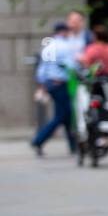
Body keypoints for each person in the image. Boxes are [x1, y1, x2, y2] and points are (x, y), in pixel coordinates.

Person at [31, 22, 81, 156]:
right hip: (61, 84)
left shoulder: (48, 46)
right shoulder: (65, 46)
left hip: (50, 84)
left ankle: (73, 145)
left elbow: (42, 70)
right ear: (63, 32)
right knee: (61, 116)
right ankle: (38, 140)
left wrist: (42, 85)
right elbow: (72, 65)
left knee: (66, 115)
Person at [80, 24, 108, 105]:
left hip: (96, 81)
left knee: (94, 102)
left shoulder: (92, 49)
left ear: (96, 36)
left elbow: (86, 63)